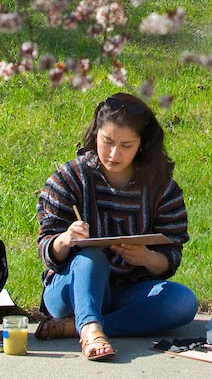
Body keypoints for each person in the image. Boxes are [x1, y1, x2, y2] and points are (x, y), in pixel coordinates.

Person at [34, 92, 196, 361]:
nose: (113, 153)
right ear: (96, 134)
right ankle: (89, 330)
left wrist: (147, 257)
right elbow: (46, 248)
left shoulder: (161, 188)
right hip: (70, 290)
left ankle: (83, 325)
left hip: (127, 292)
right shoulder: (70, 178)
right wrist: (65, 239)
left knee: (182, 302)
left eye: (126, 145)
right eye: (107, 141)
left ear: (142, 145)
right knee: (91, 257)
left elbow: (171, 255)